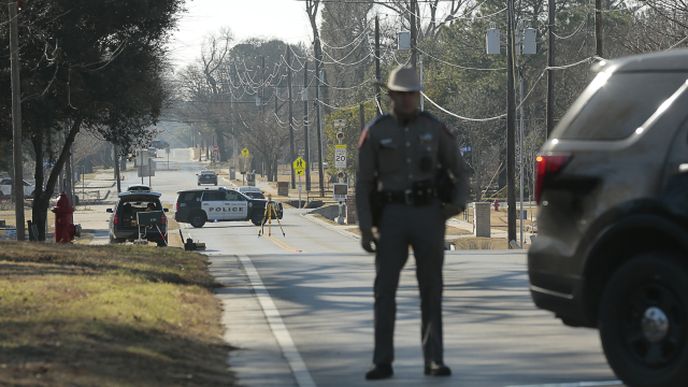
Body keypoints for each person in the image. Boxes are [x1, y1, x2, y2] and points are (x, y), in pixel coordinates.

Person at [356, 65, 469, 380]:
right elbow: (363, 182)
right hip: (391, 216)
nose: (408, 100)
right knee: (384, 290)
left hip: (428, 215)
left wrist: (456, 205)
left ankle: (434, 358)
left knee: (432, 288)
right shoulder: (376, 132)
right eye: (402, 95)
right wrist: (365, 227)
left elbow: (459, 170)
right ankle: (382, 361)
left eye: (413, 95)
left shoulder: (435, 129)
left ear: (419, 95)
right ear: (391, 95)